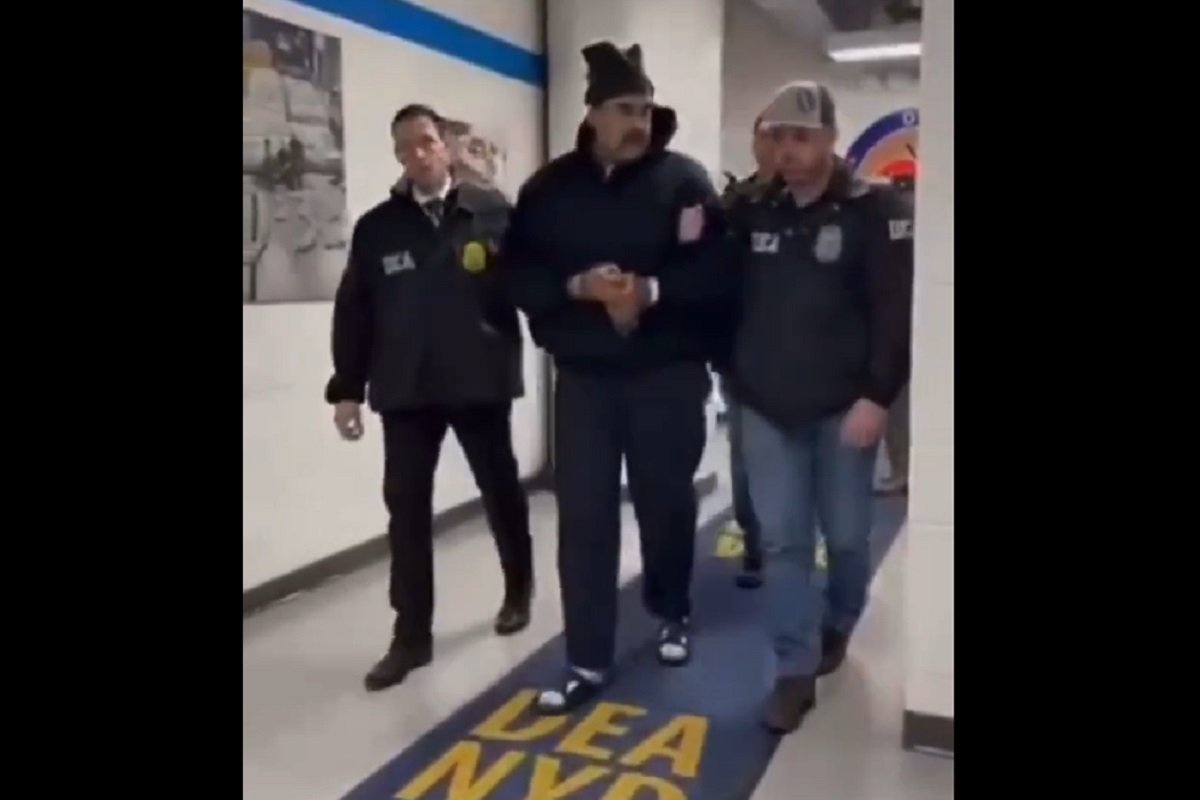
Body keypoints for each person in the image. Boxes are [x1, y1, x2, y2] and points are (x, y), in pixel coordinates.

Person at [504, 41, 728, 715]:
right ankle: (587, 657)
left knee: (666, 504)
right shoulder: (549, 189)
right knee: (584, 519)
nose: (638, 122)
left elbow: (717, 271)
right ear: (593, 114)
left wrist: (648, 292)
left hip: (668, 374)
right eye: (625, 110)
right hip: (586, 380)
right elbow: (518, 271)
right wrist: (578, 287)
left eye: (645, 109)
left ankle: (671, 610)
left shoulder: (684, 182)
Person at [325, 103, 534, 692]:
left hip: (478, 380)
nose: (416, 155)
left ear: (446, 144)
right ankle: (411, 636)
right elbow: (354, 311)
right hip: (406, 388)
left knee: (500, 491)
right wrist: (347, 389)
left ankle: (518, 589)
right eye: (404, 148)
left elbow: (531, 284)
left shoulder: (492, 212)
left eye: (426, 142)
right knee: (407, 510)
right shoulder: (377, 228)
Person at [726, 81, 913, 733]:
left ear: (831, 139)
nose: (788, 150)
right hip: (766, 405)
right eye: (777, 137)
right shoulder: (751, 210)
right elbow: (715, 289)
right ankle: (793, 668)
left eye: (801, 137)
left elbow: (895, 313)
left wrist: (878, 397)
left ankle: (840, 619)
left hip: (844, 407)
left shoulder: (875, 210)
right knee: (783, 541)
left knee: (847, 538)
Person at [716, 113, 774, 590]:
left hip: (809, 360)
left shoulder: (823, 203)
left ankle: (790, 549)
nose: (777, 145)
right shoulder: (733, 205)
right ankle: (757, 547)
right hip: (741, 353)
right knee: (744, 462)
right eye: (768, 135)